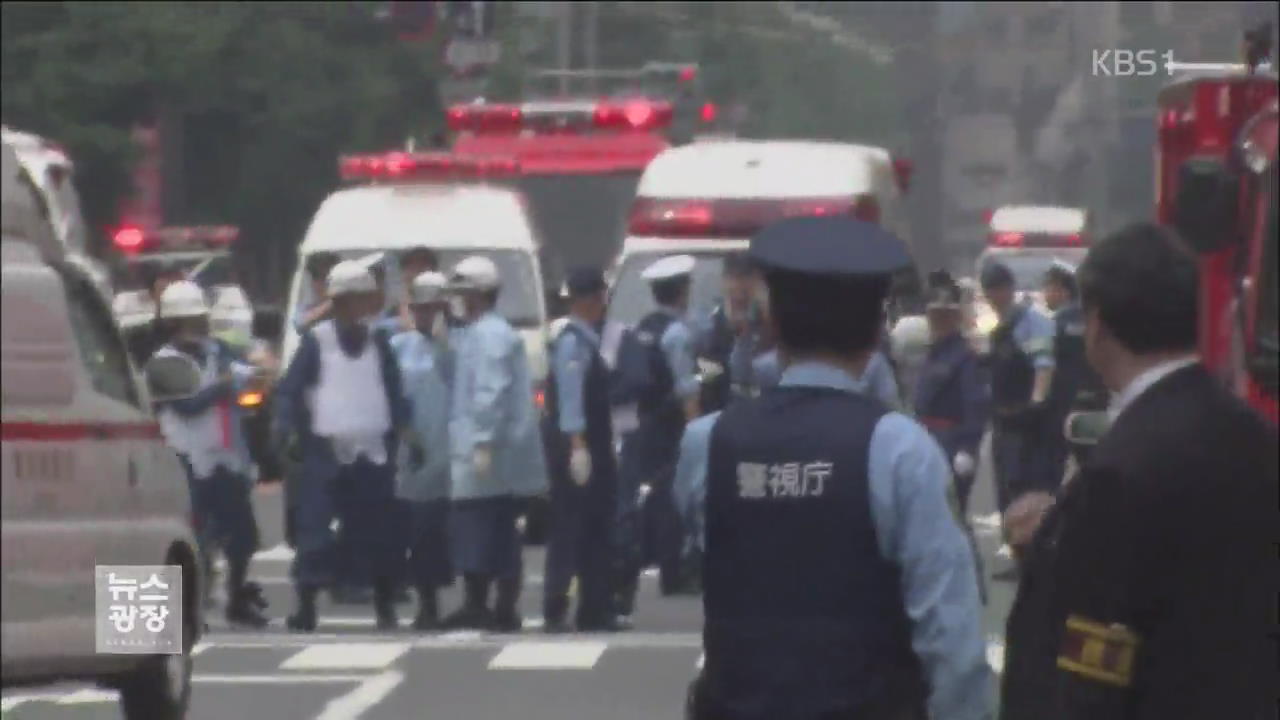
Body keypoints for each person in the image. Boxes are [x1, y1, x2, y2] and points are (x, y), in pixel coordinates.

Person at [686, 216, 993, 720]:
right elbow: (950, 642)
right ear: (877, 330)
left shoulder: (708, 443)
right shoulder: (902, 451)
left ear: (775, 325)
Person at [1000, 222, 1278, 720]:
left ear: (1098, 323)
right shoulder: (1256, 435)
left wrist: (1052, 550)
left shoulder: (1120, 470)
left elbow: (1092, 670)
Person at [273, 260, 410, 632]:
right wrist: (284, 428)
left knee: (380, 532)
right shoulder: (317, 342)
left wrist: (409, 434)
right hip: (326, 452)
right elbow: (289, 390)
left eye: (361, 300)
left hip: (373, 452)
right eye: (347, 301)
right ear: (336, 302)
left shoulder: (380, 343)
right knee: (315, 531)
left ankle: (385, 604)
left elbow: (395, 393)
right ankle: (306, 606)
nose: (355, 308)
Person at [149, 281, 269, 628]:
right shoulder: (163, 364)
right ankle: (193, 607)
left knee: (243, 535)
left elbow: (248, 377)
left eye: (200, 318)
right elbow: (188, 405)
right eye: (189, 319)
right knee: (196, 538)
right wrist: (225, 385)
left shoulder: (218, 351)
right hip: (187, 457)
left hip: (226, 456)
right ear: (173, 324)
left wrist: (255, 378)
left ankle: (237, 596)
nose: (198, 325)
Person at [442, 255, 548, 632]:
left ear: (477, 294)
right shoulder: (483, 332)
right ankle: (503, 606)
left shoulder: (489, 335)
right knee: (502, 532)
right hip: (498, 454)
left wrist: (483, 441)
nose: (457, 300)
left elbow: (490, 391)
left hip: (488, 452)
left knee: (478, 528)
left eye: (462, 293)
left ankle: (479, 603)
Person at [541, 267, 627, 633]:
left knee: (594, 529)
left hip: (593, 446)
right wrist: (578, 445)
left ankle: (595, 607)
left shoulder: (584, 338)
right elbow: (572, 397)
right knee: (573, 528)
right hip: (581, 449)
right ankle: (557, 606)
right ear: (589, 300)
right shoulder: (573, 343)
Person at [618, 253, 702, 607]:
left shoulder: (642, 329)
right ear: (682, 292)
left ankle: (635, 564)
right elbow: (686, 388)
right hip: (669, 428)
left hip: (641, 426)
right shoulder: (677, 334)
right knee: (671, 496)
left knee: (645, 496)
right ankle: (672, 571)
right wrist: (696, 431)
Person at [391, 271, 455, 631]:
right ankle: (426, 603)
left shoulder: (460, 347)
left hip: (455, 454)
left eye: (433, 308)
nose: (425, 316)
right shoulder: (400, 347)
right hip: (414, 454)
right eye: (420, 308)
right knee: (420, 533)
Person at [980, 261, 1056, 518]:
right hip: (1003, 420)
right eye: (989, 290)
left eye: (997, 289)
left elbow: (1043, 365)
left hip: (1027, 422)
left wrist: (1036, 403)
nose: (993, 296)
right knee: (1005, 491)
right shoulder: (999, 328)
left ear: (1010, 289)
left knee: (1025, 491)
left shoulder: (1033, 322)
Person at [914, 270, 990, 519]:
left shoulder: (964, 356)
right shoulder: (933, 352)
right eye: (934, 315)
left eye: (943, 316)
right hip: (928, 439)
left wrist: (968, 447)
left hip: (952, 442)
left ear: (954, 318)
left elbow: (975, 403)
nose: (937, 321)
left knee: (953, 517)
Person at [1041, 260, 1108, 476]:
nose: (1045, 294)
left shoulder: (1056, 322)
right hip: (1098, 399)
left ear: (1063, 290)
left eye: (1049, 287)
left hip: (1064, 403)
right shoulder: (1093, 317)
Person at [696, 252, 755, 413]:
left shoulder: (768, 326)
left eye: (746, 277)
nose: (740, 285)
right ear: (724, 280)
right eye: (734, 277)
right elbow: (706, 384)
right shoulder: (709, 331)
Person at [292, 251, 340, 334]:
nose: (324, 282)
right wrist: (330, 305)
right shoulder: (304, 308)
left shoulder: (354, 307)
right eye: (318, 276)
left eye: (329, 277)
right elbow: (299, 325)